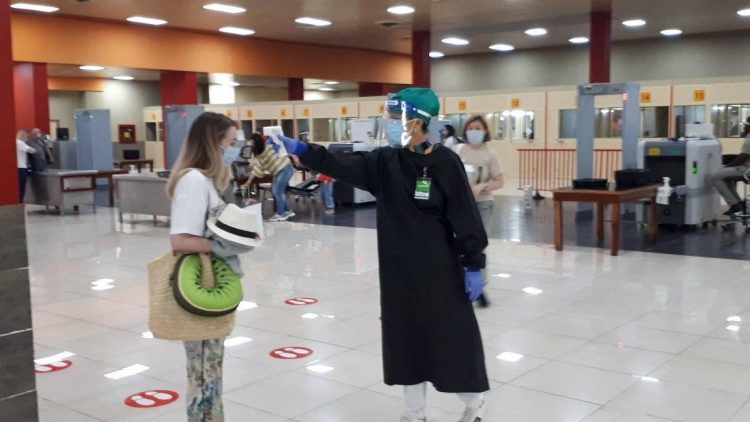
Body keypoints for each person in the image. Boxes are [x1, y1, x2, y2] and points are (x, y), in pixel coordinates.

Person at [279, 88, 489, 422]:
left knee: (448, 341)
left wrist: (474, 264)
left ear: (418, 123)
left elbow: (465, 216)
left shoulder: (445, 163)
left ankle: (474, 403)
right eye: (389, 119)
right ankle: (413, 414)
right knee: (406, 342)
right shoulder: (385, 162)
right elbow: (343, 163)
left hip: (439, 271)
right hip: (398, 271)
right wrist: (305, 150)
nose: (391, 125)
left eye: (396, 119)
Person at [165, 112, 249, 422]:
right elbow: (181, 239)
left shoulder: (207, 181)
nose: (234, 148)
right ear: (213, 143)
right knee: (203, 370)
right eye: (230, 142)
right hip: (200, 287)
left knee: (211, 368)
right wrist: (222, 246)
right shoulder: (193, 181)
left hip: (212, 285)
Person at [455, 115, 503, 308]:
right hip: (460, 206)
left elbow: (500, 181)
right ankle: (460, 285)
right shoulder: (458, 150)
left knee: (477, 246)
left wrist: (482, 187)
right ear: (466, 130)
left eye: (478, 128)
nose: (474, 131)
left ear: (484, 131)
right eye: (471, 128)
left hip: (482, 204)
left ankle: (479, 288)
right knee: (458, 245)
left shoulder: (489, 154)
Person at [244, 133, 295, 222]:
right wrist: (248, 181)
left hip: (285, 168)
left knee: (278, 192)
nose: (251, 145)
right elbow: (257, 168)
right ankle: (288, 211)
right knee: (277, 192)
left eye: (252, 143)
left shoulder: (269, 144)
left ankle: (280, 214)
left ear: (257, 142)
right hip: (279, 171)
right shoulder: (259, 154)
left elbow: (282, 147)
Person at [711, 117, 750, 215]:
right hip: (747, 167)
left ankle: (735, 205)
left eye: (745, 126)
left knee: (716, 176)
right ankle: (739, 204)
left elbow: (742, 158)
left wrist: (726, 167)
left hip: (747, 169)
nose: (744, 128)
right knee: (726, 177)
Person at [16, 129, 36, 203]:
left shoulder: (15, 142)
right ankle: (20, 202)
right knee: (21, 187)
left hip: (18, 167)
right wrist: (36, 148)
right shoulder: (20, 142)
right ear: (23, 134)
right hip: (22, 168)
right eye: (26, 137)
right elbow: (31, 151)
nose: (26, 138)